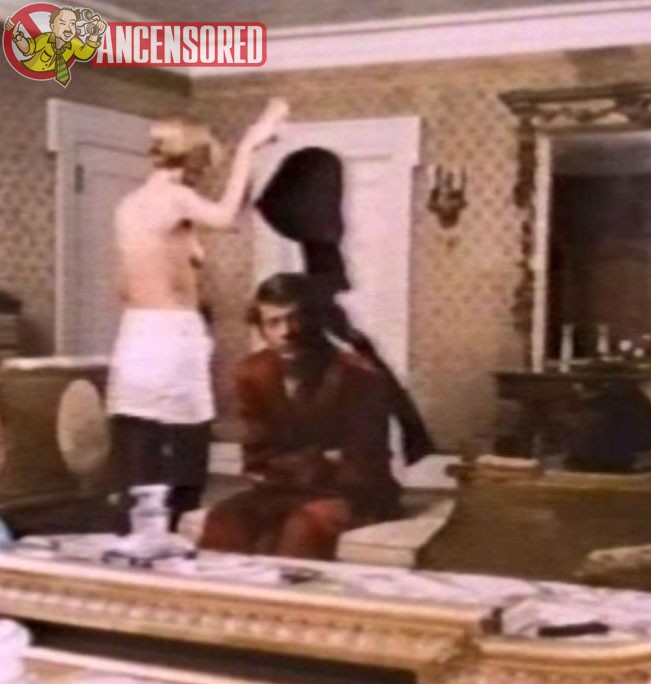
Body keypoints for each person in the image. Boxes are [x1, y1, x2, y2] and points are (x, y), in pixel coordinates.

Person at [107, 98, 289, 530]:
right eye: (204, 162)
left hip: (135, 334)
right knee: (187, 448)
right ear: (193, 156)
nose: (204, 171)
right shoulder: (176, 198)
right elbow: (227, 215)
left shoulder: (128, 206)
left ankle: (137, 538)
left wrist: (182, 258)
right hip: (171, 333)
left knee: (140, 445)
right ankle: (170, 533)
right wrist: (249, 146)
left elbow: (124, 286)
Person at [199, 273, 402, 560]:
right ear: (261, 329)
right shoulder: (252, 373)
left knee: (305, 525)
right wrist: (321, 459)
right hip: (282, 491)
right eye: (273, 323)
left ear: (316, 319)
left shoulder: (360, 375)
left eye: (295, 319)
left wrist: (289, 464)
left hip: (355, 496)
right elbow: (256, 458)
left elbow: (363, 466)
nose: (287, 332)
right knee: (225, 518)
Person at [254, 147, 435, 464]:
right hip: (318, 292)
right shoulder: (315, 222)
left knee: (353, 367)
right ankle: (410, 437)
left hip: (318, 293)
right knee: (355, 364)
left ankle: (406, 438)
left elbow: (270, 208)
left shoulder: (313, 222)